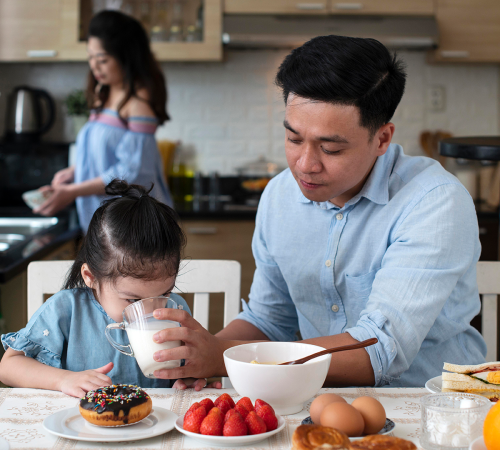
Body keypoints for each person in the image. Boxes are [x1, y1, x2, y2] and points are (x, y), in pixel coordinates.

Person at [148, 35, 487, 388]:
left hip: (437, 408)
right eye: (294, 140)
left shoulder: (435, 201)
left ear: (382, 139)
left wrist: (222, 357)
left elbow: (380, 350)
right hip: (313, 400)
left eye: (330, 149)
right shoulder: (280, 195)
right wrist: (205, 354)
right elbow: (269, 319)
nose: (305, 165)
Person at [0, 180, 218, 397]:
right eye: (133, 301)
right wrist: (63, 379)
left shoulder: (175, 311)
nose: (151, 313)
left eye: (164, 294)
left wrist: (188, 380)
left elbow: (185, 369)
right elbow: (8, 366)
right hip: (83, 427)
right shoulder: (66, 310)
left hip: (153, 424)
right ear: (91, 277)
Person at [34, 10, 173, 233]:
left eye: (103, 60)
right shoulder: (103, 95)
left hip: (132, 226)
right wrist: (74, 171)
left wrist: (75, 191)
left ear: (126, 57)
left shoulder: (138, 105)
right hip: (106, 223)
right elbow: (102, 154)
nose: (94, 66)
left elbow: (133, 172)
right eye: (90, 57)